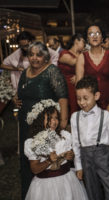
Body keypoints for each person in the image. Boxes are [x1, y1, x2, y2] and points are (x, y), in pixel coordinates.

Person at [15, 41, 68, 200]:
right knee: (29, 160)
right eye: (31, 54)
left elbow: (63, 98)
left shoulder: (52, 71)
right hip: (26, 126)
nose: (34, 58)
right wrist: (15, 100)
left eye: (38, 55)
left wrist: (63, 123)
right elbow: (21, 94)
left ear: (46, 57)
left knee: (46, 160)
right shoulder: (25, 73)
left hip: (45, 126)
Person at [71, 76, 109, 200]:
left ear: (96, 96)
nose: (82, 102)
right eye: (78, 99)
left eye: (85, 98)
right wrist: (78, 166)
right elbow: (75, 143)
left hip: (103, 155)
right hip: (85, 157)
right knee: (91, 190)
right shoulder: (75, 117)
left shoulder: (105, 116)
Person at [24, 99, 88, 200]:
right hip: (46, 186)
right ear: (40, 119)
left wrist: (69, 156)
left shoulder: (64, 136)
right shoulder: (32, 142)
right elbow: (34, 169)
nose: (54, 121)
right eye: (49, 118)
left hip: (67, 181)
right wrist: (49, 161)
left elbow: (70, 157)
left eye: (56, 118)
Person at [76, 23, 109, 126]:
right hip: (90, 104)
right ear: (87, 38)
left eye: (98, 33)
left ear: (102, 37)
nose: (95, 36)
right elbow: (79, 85)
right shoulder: (82, 57)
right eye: (91, 34)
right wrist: (86, 103)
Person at [58, 33, 86, 117]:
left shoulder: (82, 55)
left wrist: (79, 76)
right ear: (76, 41)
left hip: (79, 85)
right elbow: (74, 62)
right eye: (83, 42)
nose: (85, 45)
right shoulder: (64, 53)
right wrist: (87, 55)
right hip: (66, 86)